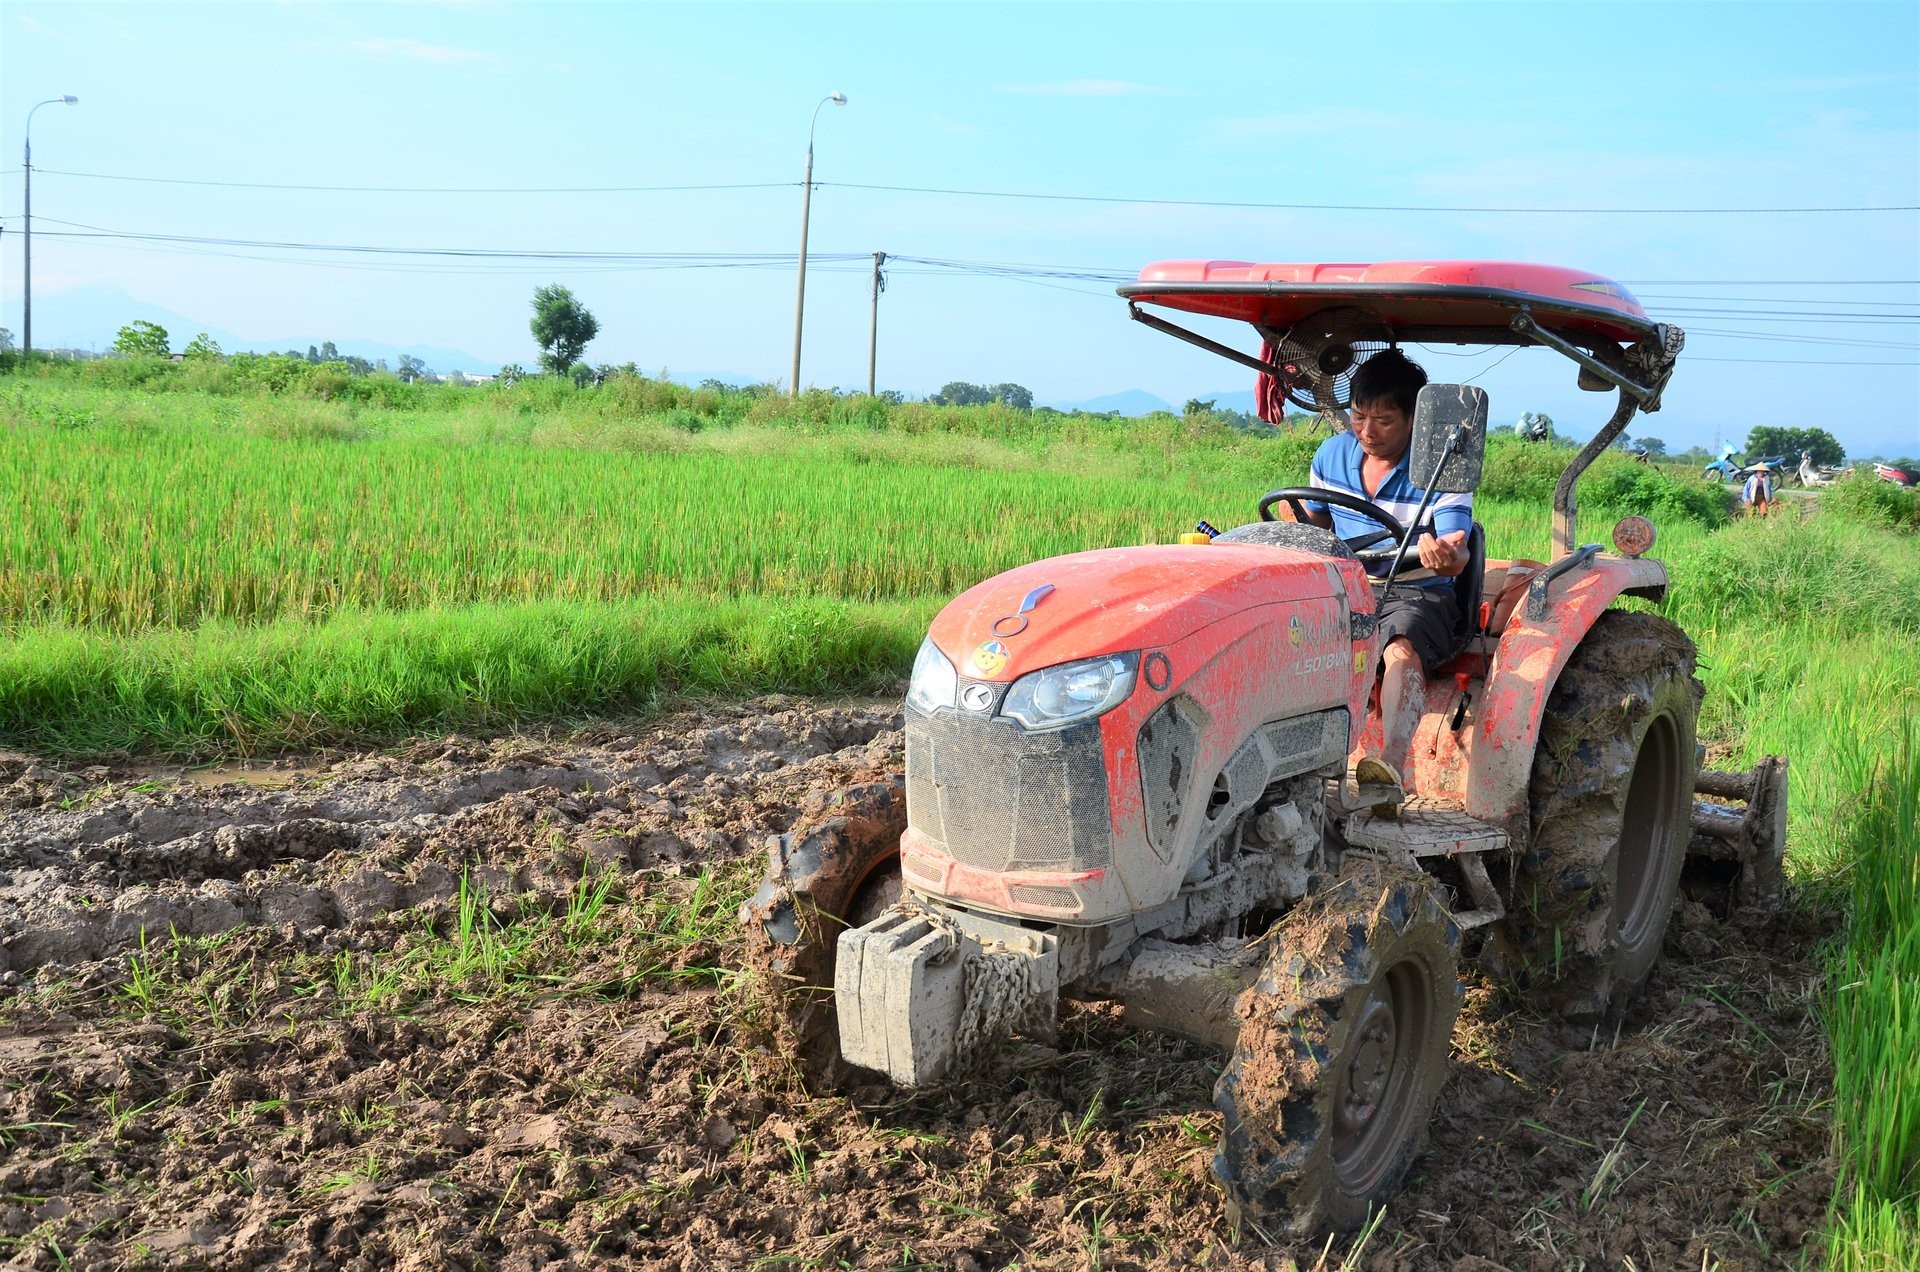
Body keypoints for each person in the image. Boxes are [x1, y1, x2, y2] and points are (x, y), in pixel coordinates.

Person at [1289, 349, 1472, 791]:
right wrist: (1290, 522)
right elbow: (1314, 524)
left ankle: (1390, 764)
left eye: (1384, 421)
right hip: (1348, 584)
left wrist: (1445, 555)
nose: (1367, 431)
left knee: (1399, 645)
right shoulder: (1331, 454)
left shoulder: (1442, 468)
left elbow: (1456, 550)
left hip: (1416, 588)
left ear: (1415, 420)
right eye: (1358, 416)